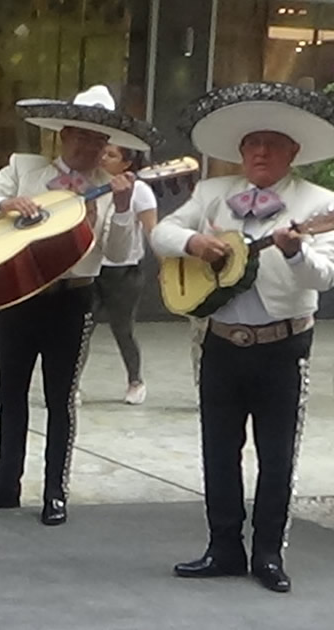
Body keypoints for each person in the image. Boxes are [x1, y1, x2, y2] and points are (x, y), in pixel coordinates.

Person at [152, 82, 334, 593]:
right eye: (252, 144)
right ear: (240, 152)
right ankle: (223, 546)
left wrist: (295, 251)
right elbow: (160, 234)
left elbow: (324, 277)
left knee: (277, 455)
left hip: (282, 345)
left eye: (272, 144)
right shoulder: (213, 194)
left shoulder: (320, 204)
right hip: (221, 339)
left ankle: (270, 553)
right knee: (219, 448)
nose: (260, 152)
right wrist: (195, 242)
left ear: (292, 154)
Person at [0, 85, 160, 526]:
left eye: (99, 140)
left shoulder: (109, 188)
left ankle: (55, 491)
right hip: (19, 294)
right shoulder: (24, 169)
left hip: (73, 298)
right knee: (10, 393)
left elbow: (119, 249)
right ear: (63, 134)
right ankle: (4, 483)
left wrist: (123, 208)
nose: (89, 146)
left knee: (60, 397)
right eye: (81, 136)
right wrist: (4, 204)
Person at [94, 144, 158, 405]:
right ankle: (72, 384)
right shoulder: (92, 184)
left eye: (111, 155)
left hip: (125, 271)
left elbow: (152, 230)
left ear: (126, 164)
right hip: (93, 267)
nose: (103, 157)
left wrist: (168, 268)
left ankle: (135, 380)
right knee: (83, 328)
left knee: (122, 328)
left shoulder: (140, 190)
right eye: (103, 152)